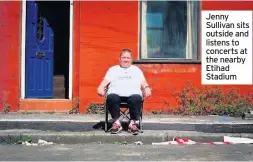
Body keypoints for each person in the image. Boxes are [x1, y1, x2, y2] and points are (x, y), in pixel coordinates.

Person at [97, 48, 152, 135]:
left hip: (133, 95)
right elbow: (105, 82)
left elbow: (143, 82)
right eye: (124, 57)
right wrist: (101, 87)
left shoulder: (136, 70)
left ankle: (132, 124)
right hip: (116, 95)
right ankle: (117, 123)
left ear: (131, 59)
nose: (126, 59)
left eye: (128, 58)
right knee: (111, 97)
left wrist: (147, 87)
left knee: (136, 98)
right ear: (120, 59)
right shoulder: (113, 69)